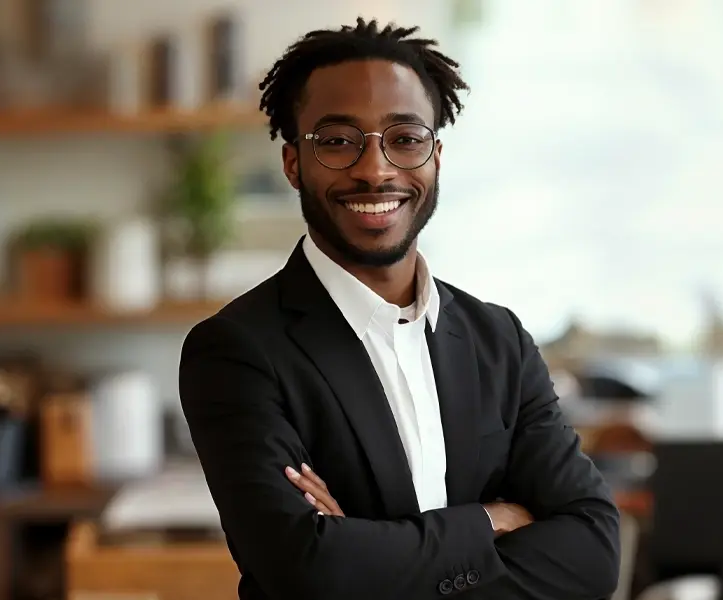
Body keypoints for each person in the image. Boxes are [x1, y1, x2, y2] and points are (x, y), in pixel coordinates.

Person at [179, 17, 620, 600]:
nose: (375, 168)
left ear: (436, 156)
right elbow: (307, 569)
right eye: (337, 141)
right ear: (292, 164)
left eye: (405, 139)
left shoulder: (499, 341)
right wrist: (490, 521)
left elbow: (593, 552)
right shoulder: (238, 350)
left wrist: (370, 550)